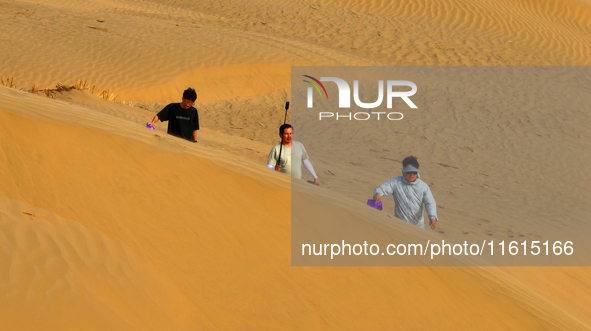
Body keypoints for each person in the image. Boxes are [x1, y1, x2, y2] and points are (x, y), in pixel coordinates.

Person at [373, 156, 438, 230]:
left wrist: (432, 217)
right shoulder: (396, 182)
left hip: (418, 227)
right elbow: (383, 188)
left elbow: (430, 203)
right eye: (409, 172)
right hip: (399, 225)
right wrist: (378, 194)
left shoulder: (423, 186)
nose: (412, 175)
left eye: (414, 172)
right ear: (403, 172)